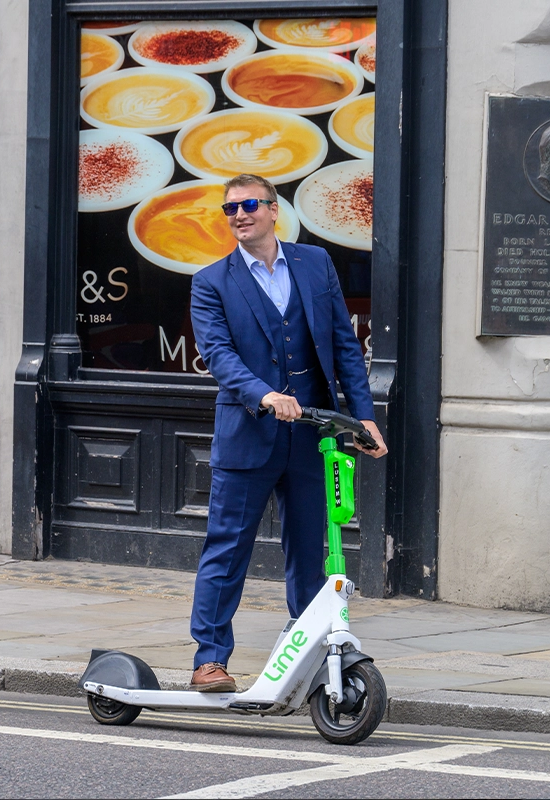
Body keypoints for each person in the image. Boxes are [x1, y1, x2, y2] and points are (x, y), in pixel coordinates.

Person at [187, 173, 387, 692]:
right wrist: (264, 394)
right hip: (247, 434)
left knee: (310, 548)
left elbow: (344, 344)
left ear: (274, 210)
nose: (239, 215)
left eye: (249, 205)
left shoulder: (315, 263)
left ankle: (309, 650)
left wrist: (362, 416)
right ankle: (209, 659)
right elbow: (218, 355)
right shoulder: (211, 281)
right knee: (227, 548)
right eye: (229, 209)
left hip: (311, 435)